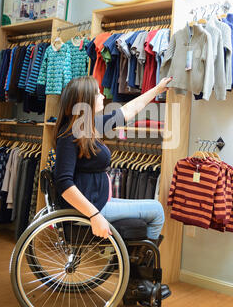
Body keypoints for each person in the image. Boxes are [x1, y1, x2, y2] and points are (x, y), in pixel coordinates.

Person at [53, 75, 172, 241]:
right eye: (97, 93)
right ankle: (140, 264)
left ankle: (134, 262)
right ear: (86, 101)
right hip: (93, 208)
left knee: (154, 209)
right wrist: (94, 215)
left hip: (99, 201)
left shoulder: (87, 127)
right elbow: (64, 184)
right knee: (157, 211)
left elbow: (128, 111)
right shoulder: (70, 135)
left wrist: (158, 89)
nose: (102, 96)